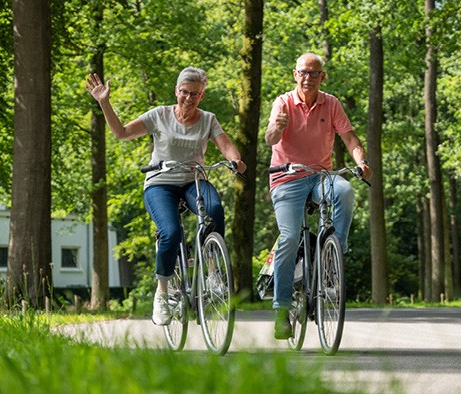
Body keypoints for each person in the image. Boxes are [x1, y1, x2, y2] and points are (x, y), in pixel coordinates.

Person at [85, 67, 246, 326]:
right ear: (176, 91)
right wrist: (104, 102)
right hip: (160, 183)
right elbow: (121, 133)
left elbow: (225, 144)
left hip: (194, 181)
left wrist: (235, 160)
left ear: (202, 95)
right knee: (170, 232)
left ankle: (214, 272)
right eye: (184, 92)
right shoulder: (159, 115)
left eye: (195, 93)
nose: (189, 98)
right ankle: (161, 294)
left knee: (214, 210)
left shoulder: (208, 119)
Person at [265, 53, 372, 339]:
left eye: (314, 73)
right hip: (286, 178)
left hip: (319, 177)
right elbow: (270, 139)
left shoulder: (331, 103)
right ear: (295, 74)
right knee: (288, 237)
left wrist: (361, 161)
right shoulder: (283, 102)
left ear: (322, 77)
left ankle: (334, 253)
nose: (308, 78)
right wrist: (277, 126)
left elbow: (349, 137)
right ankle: (281, 310)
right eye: (303, 72)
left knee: (345, 189)